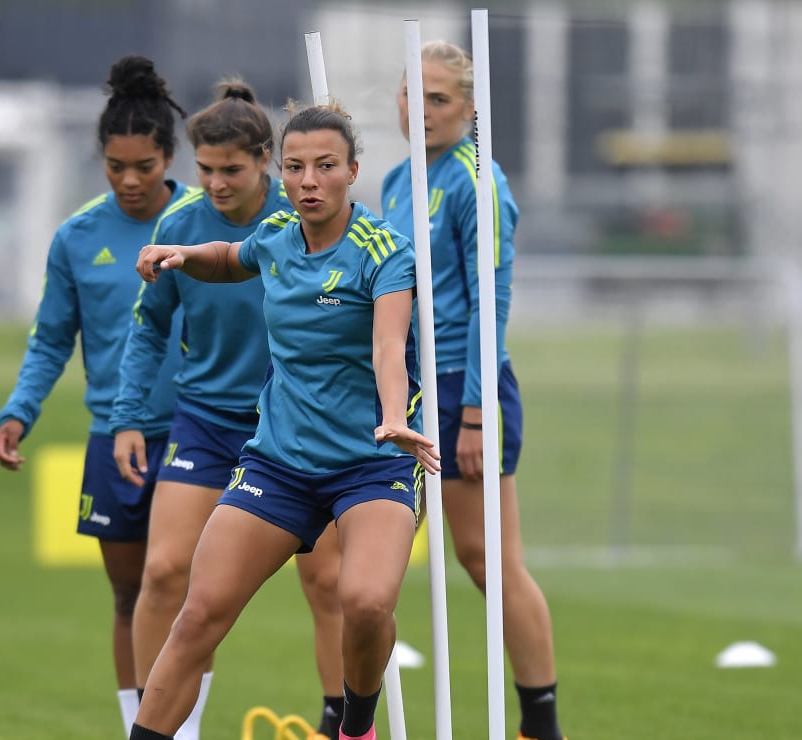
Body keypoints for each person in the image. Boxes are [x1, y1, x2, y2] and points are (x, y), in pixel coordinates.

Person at [127, 102, 440, 740]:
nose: (308, 181)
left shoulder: (385, 251)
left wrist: (390, 417)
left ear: (353, 171)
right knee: (198, 613)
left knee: (366, 600)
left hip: (372, 461)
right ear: (281, 170)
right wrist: (184, 254)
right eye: (296, 167)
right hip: (280, 462)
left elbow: (389, 346)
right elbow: (231, 256)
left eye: (325, 167)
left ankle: (355, 728)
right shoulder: (274, 235)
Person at [111, 80, 347, 738]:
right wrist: (130, 415)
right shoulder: (180, 226)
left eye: (231, 170)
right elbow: (149, 326)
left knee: (329, 583)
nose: (215, 183)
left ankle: (339, 724)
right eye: (205, 170)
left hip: (295, 430)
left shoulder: (302, 220)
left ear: (266, 161)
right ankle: (161, 730)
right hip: (206, 424)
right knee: (163, 575)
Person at [0, 55, 193, 737]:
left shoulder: (203, 225)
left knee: (180, 594)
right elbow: (52, 338)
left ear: (169, 156)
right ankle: (137, 725)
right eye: (115, 166)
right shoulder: (78, 237)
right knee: (130, 594)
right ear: (101, 159)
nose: (130, 180)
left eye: (143, 165)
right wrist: (21, 408)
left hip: (198, 432)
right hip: (116, 435)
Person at [380, 40, 564, 740]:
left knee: (487, 558)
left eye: (439, 99)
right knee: (366, 557)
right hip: (406, 386)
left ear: (469, 109)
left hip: (464, 385)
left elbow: (490, 299)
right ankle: (351, 715)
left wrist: (476, 415)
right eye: (411, 95)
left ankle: (541, 723)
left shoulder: (476, 181)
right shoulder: (400, 179)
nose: (421, 110)